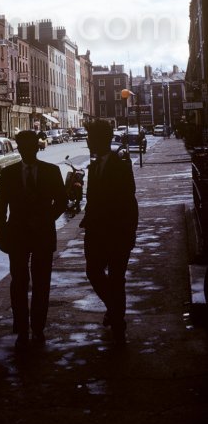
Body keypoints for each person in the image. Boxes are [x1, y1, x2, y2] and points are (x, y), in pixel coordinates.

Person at [0, 129, 66, 351]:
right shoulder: (8, 173)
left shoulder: (51, 171)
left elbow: (62, 201)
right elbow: (0, 208)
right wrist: (1, 237)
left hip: (42, 235)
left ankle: (38, 328)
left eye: (31, 147)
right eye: (23, 147)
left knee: (41, 283)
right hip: (17, 235)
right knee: (19, 282)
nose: (27, 151)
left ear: (36, 147)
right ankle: (22, 328)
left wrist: (46, 219)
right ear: (19, 148)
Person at [80, 119, 138, 343]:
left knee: (116, 279)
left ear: (100, 140)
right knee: (93, 272)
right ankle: (114, 312)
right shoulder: (94, 167)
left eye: (90, 137)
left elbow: (129, 202)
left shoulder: (120, 166)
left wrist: (130, 233)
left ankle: (117, 322)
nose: (87, 141)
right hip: (95, 233)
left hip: (117, 233)